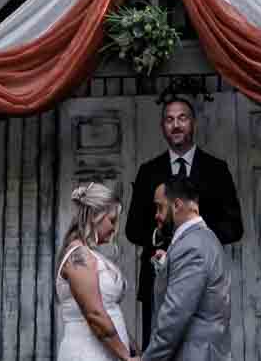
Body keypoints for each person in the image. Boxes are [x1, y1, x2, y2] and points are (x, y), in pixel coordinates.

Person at [125, 95, 241, 343]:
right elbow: (133, 229)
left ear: (194, 124)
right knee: (157, 351)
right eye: (169, 120)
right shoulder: (148, 171)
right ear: (163, 128)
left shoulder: (216, 169)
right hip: (156, 282)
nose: (175, 125)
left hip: (204, 284)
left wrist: (194, 235)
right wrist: (162, 236)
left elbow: (235, 226)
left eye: (182, 118)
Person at [138, 174, 232, 361]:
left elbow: (173, 318)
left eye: (159, 207)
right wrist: (167, 265)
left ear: (177, 205)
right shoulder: (201, 239)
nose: (156, 215)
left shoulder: (192, 246)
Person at [54, 180, 134, 361]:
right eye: (112, 220)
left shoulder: (90, 255)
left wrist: (133, 350)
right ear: (95, 215)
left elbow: (109, 311)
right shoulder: (78, 256)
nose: (114, 228)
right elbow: (95, 315)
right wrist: (126, 357)